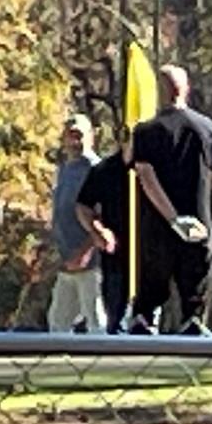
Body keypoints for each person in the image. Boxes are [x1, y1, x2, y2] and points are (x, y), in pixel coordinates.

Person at [127, 64, 212, 333]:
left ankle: (141, 348)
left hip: (157, 231)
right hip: (198, 229)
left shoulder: (146, 132)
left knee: (148, 304)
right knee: (193, 304)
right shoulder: (207, 128)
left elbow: (147, 179)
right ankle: (190, 343)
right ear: (186, 89)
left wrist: (173, 219)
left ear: (158, 92)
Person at [46, 115, 113, 334]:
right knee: (58, 321)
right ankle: (59, 367)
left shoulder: (97, 170)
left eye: (79, 135)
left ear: (91, 137)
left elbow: (104, 218)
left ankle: (104, 366)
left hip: (91, 263)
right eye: (70, 135)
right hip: (67, 262)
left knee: (96, 321)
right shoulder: (65, 169)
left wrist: (86, 252)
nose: (75, 141)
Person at [76, 130, 133, 332]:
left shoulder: (158, 167)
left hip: (149, 260)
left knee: (144, 324)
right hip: (114, 256)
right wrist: (98, 230)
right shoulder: (105, 170)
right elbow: (83, 206)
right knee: (115, 319)